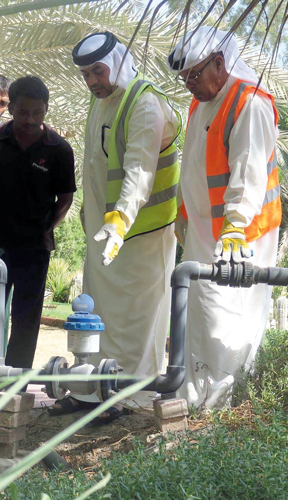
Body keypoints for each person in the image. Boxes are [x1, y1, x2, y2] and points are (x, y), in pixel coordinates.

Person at [49, 32, 181, 423]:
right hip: (105, 238)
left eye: (98, 71)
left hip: (141, 238)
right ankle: (91, 394)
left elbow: (139, 171)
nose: (92, 80)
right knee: (98, 317)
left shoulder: (145, 103)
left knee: (137, 323)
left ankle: (128, 399)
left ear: (119, 62)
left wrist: (120, 220)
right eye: (86, 74)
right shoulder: (102, 101)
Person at [167, 27, 282, 409]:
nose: (189, 86)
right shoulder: (202, 102)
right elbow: (196, 167)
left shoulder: (249, 103)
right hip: (205, 232)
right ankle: (194, 400)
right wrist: (184, 215)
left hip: (240, 236)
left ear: (220, 62)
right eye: (184, 79)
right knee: (196, 317)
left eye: (194, 75)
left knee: (226, 321)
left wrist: (233, 227)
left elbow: (249, 174)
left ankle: (218, 413)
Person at [0, 76, 76, 408]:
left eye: (37, 113)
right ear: (10, 107)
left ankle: (15, 392)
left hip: (34, 249)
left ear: (45, 110)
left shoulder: (59, 149)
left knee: (26, 319)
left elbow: (66, 197)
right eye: (23, 112)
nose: (29, 120)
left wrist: (49, 227)